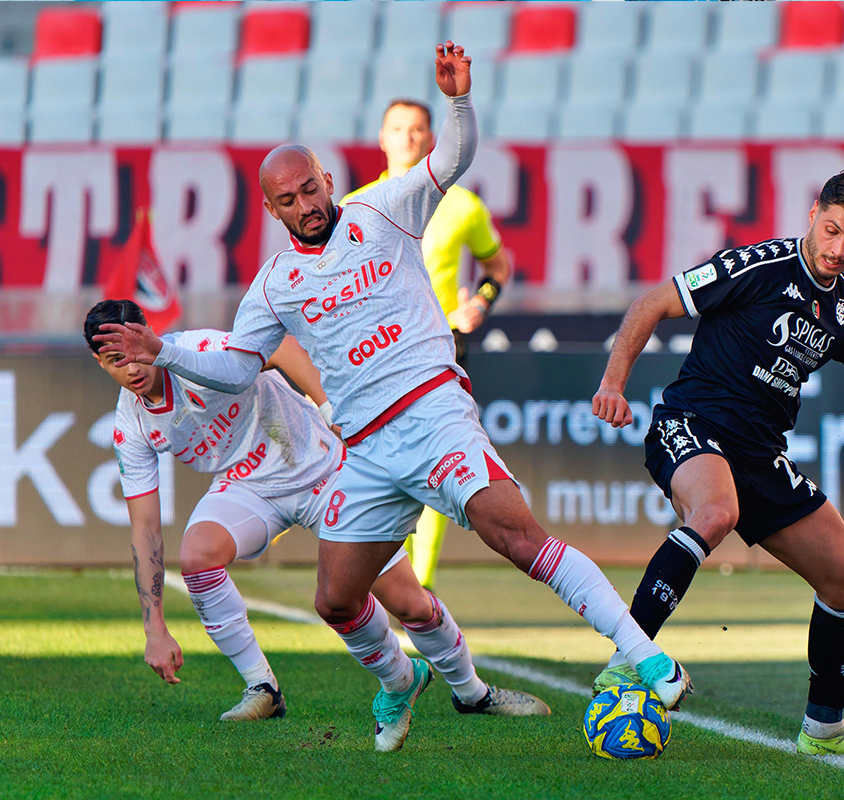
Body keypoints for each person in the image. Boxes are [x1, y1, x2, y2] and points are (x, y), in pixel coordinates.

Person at [94, 42, 691, 753]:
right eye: (289, 199)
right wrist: (162, 349)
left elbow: (453, 160)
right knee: (337, 599)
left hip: (431, 411)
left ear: (326, 176)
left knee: (517, 537)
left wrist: (459, 101)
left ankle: (648, 656)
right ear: (270, 207)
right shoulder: (276, 284)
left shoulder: (384, 208)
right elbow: (236, 365)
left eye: (311, 188)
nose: (307, 205)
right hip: (364, 451)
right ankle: (401, 682)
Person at [591, 167, 844, 760]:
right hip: (694, 423)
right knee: (715, 512)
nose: (838, 250)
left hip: (761, 455)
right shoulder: (756, 266)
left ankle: (823, 731)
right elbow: (653, 302)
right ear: (812, 213)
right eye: (831, 230)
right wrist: (613, 383)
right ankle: (627, 661)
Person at [86, 299, 550, 725]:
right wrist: (155, 629)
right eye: (114, 361)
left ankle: (472, 692)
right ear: (99, 363)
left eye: (135, 352)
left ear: (148, 335)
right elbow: (145, 529)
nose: (132, 368)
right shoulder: (132, 427)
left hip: (324, 466)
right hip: (250, 486)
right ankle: (264, 687)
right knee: (197, 558)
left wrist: (331, 408)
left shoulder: (197, 350)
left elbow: (283, 347)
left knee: (408, 602)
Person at [340, 97, 513, 591]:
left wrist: (481, 300)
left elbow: (498, 266)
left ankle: (421, 582)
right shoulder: (354, 204)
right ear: (382, 137)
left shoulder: (460, 204)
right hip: (379, 352)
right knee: (387, 465)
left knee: (442, 460)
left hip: (441, 347)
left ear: (430, 138)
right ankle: (395, 577)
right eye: (398, 128)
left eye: (417, 129)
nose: (408, 137)